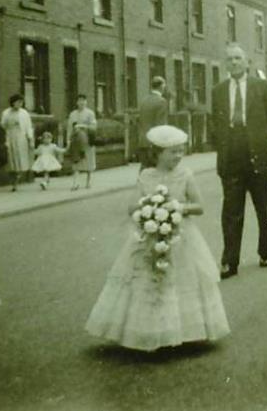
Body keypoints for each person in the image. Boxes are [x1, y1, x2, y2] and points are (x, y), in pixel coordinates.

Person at [85, 125, 230, 352]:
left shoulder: (186, 174)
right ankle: (149, 331)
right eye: (173, 152)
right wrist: (148, 208)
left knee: (180, 281)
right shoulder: (146, 176)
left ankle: (186, 332)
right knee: (147, 279)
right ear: (159, 153)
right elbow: (132, 206)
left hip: (181, 237)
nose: (178, 156)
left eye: (181, 151)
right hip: (151, 235)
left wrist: (177, 208)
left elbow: (199, 206)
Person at [210, 43, 267, 279]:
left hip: (257, 154)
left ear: (247, 62)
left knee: (263, 208)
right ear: (225, 64)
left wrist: (260, 139)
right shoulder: (218, 90)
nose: (234, 63)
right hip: (231, 155)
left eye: (238, 58)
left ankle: (265, 251)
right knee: (231, 211)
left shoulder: (262, 87)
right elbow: (215, 123)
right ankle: (230, 261)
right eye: (230, 59)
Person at [0, 93, 34, 192]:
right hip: (10, 137)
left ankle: (17, 179)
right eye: (18, 102)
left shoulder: (24, 113)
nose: (20, 104)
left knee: (20, 160)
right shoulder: (6, 112)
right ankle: (13, 182)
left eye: (21, 102)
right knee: (11, 160)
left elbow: (28, 127)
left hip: (21, 138)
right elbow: (3, 125)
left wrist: (30, 139)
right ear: (13, 102)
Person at [66, 94, 97, 191]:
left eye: (83, 100)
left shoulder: (90, 113)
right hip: (76, 140)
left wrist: (83, 126)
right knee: (76, 161)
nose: (81, 103)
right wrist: (68, 140)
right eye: (79, 101)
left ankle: (88, 181)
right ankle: (76, 183)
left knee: (88, 161)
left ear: (86, 102)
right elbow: (69, 128)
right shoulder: (72, 114)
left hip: (87, 139)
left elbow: (94, 126)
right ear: (76, 102)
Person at [137, 76, 168, 169]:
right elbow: (161, 125)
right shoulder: (161, 101)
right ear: (161, 87)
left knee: (145, 169)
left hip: (143, 141)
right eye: (164, 86)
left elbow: (140, 121)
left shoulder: (143, 101)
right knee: (157, 170)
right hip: (155, 142)